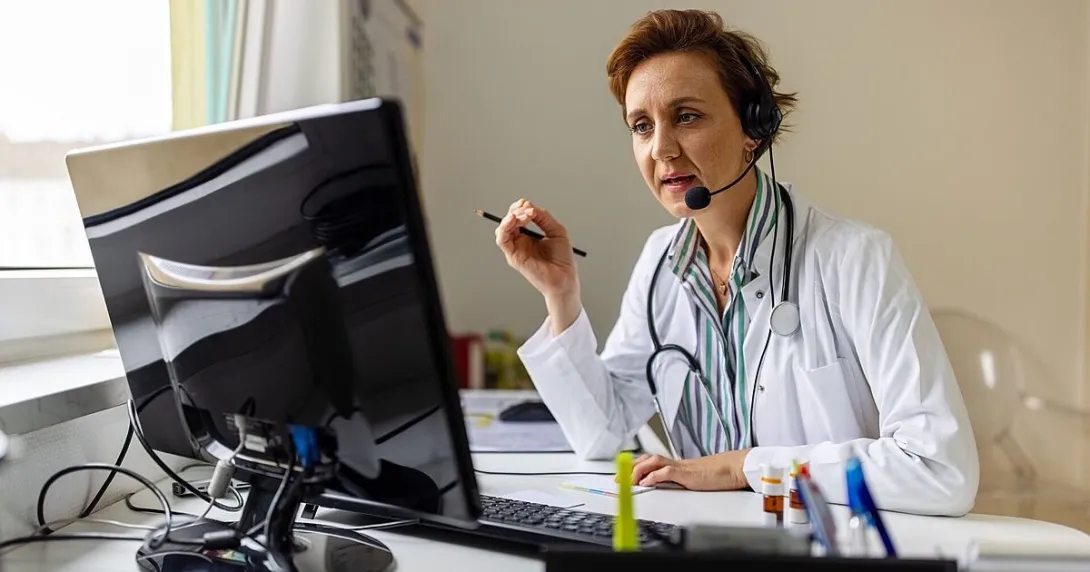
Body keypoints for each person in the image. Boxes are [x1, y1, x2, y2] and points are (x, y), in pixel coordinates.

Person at [494, 9, 978, 517]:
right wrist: (561, 297)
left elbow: (939, 470)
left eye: (686, 116)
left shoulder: (855, 259)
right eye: (642, 126)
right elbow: (603, 433)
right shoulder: (661, 261)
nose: (661, 149)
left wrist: (744, 467)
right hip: (700, 542)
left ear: (754, 128)